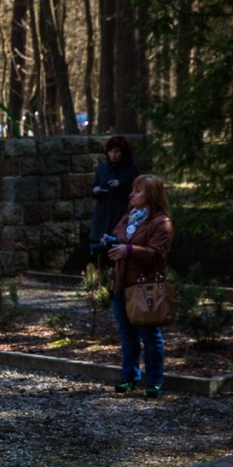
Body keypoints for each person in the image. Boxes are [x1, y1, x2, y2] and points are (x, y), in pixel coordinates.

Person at [106, 174, 175, 399]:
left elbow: (158, 255)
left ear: (152, 195)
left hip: (144, 287)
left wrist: (129, 250)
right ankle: (129, 378)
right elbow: (120, 238)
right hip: (121, 284)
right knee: (127, 334)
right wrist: (111, 242)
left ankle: (155, 381)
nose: (131, 194)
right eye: (132, 190)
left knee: (149, 334)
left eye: (138, 191)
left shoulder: (161, 223)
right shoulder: (130, 217)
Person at [90, 136, 140, 254]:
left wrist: (121, 184)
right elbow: (93, 187)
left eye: (117, 151)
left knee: (117, 245)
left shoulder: (131, 170)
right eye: (111, 151)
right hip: (102, 213)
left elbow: (137, 191)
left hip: (120, 213)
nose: (113, 155)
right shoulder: (102, 169)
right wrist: (95, 190)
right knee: (99, 248)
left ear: (123, 152)